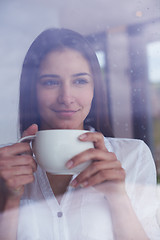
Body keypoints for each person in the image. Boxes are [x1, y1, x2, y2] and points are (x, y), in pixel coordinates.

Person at [0, 28, 159, 240]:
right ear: (32, 90)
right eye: (51, 82)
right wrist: (8, 200)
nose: (66, 97)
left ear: (95, 88)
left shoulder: (133, 155)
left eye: (80, 81)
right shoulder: (6, 165)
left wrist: (118, 198)